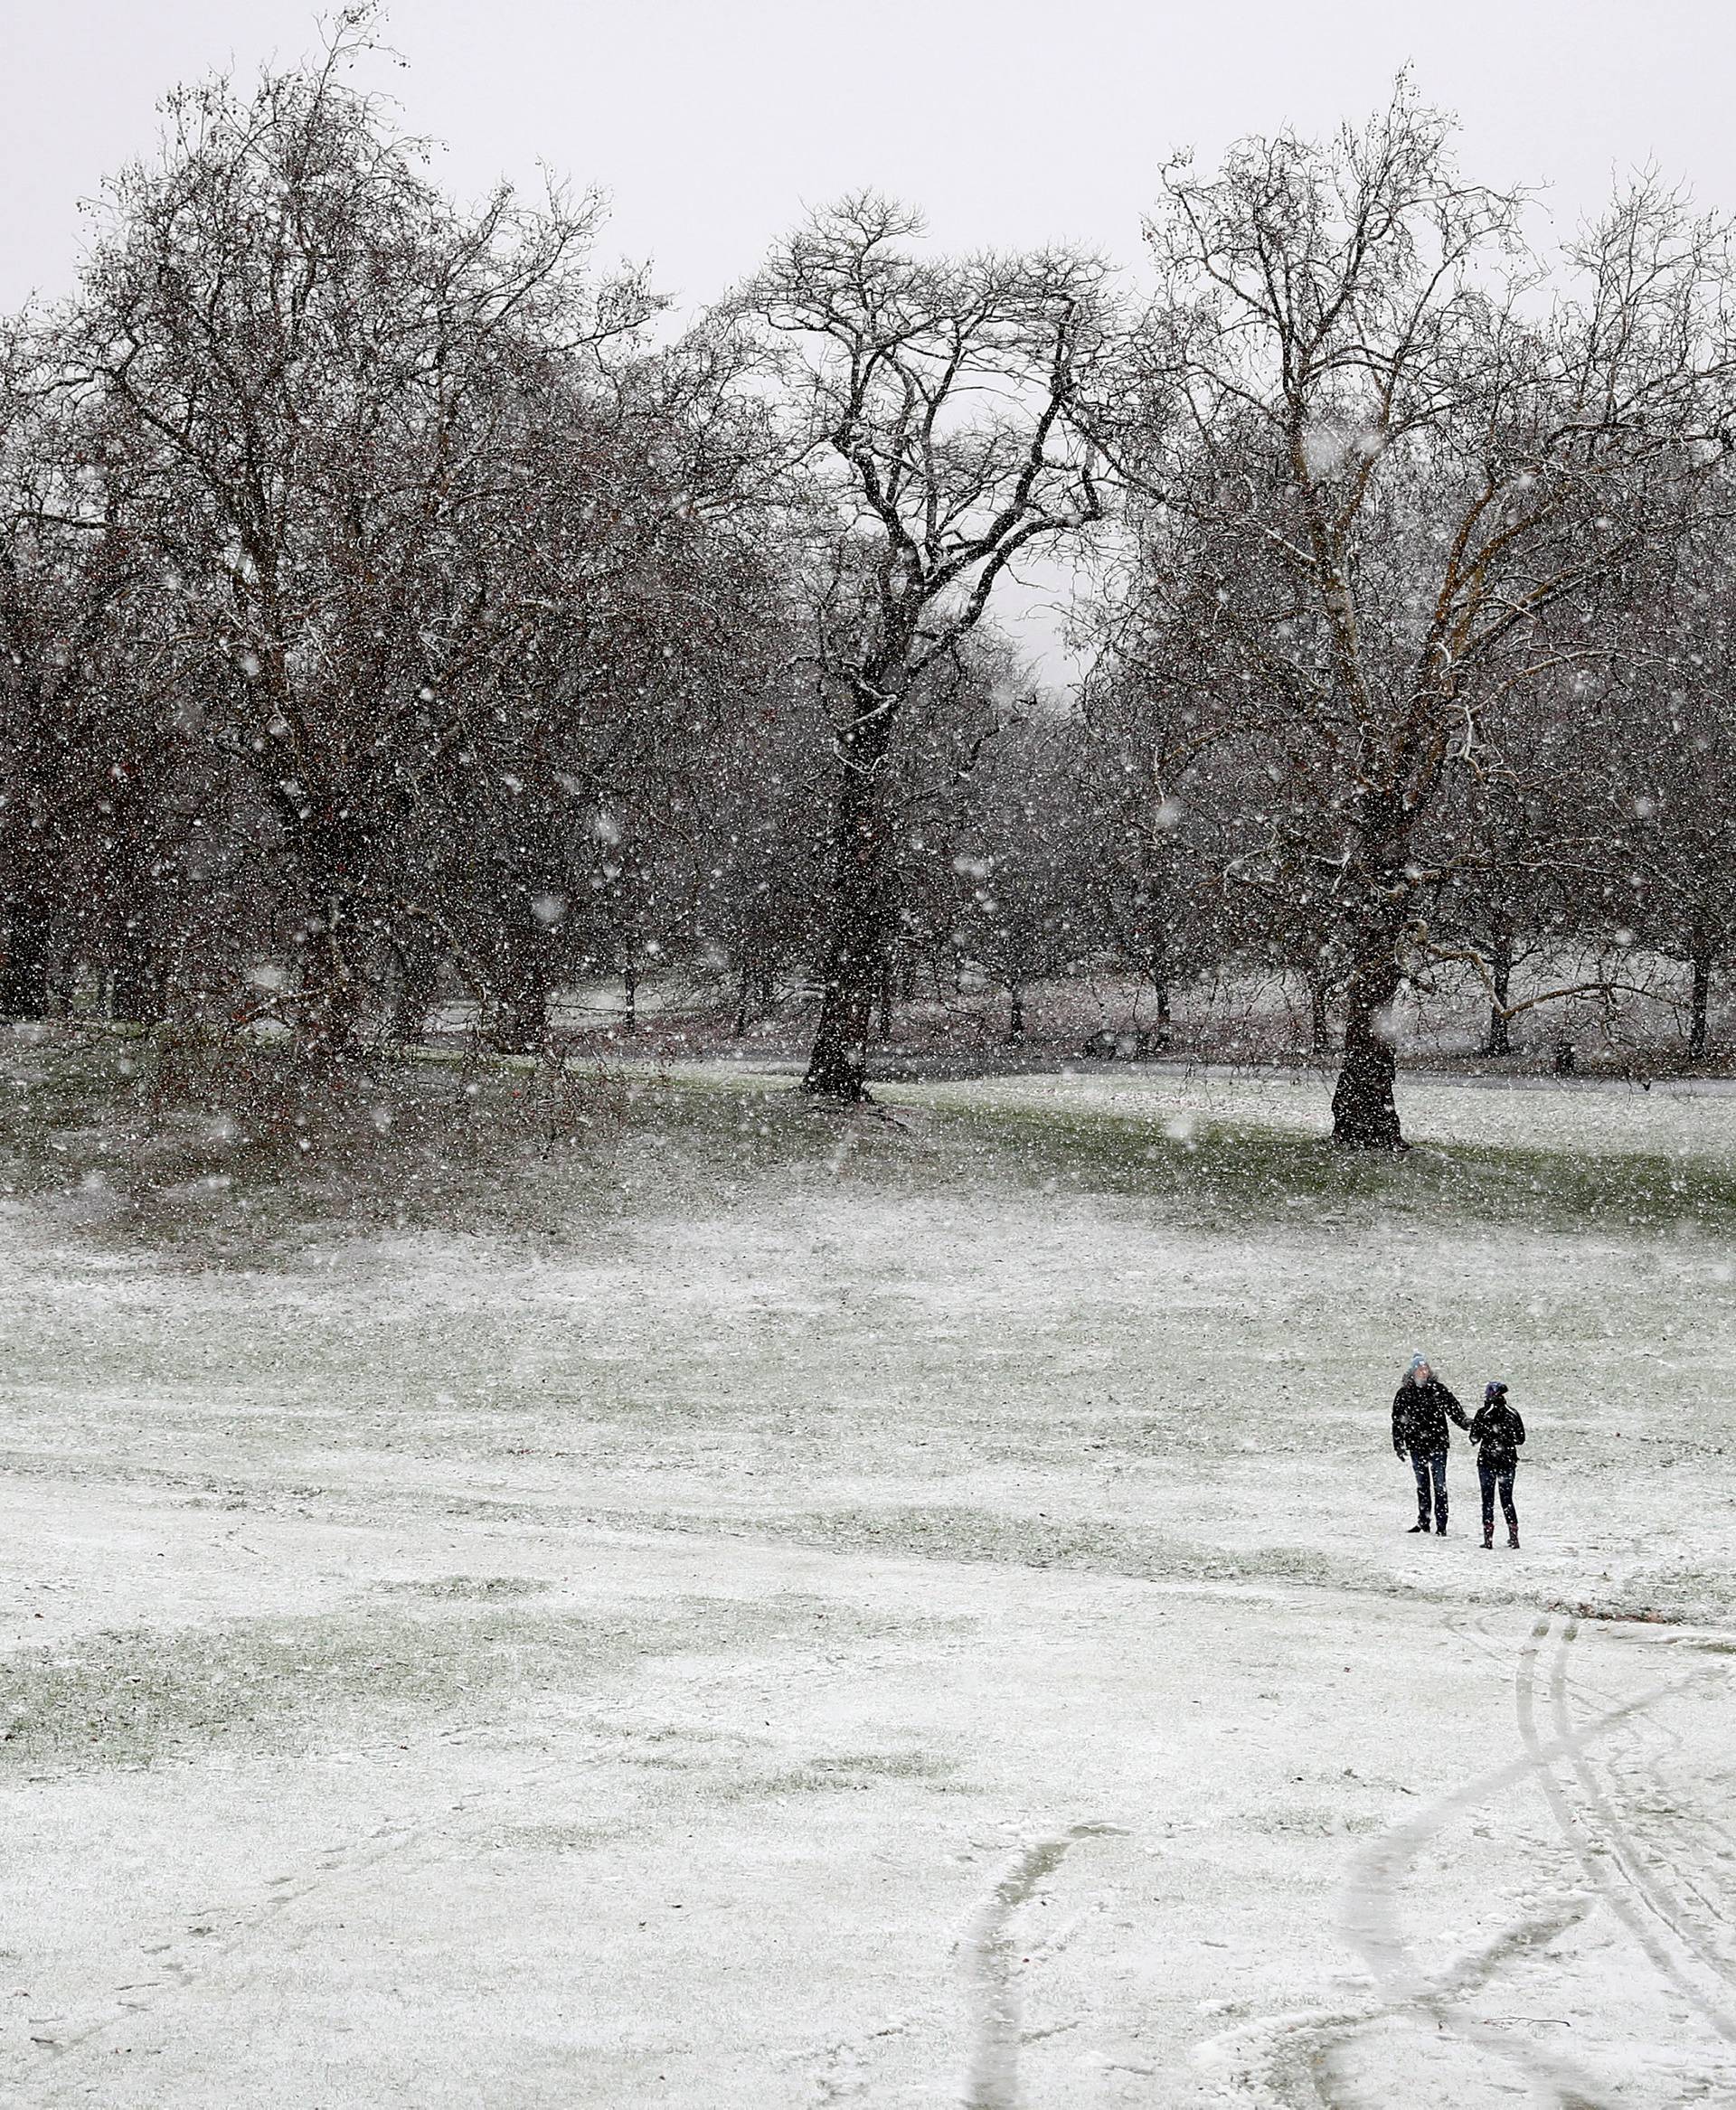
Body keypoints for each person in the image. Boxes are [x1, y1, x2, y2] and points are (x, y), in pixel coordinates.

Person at [1392, 1354, 1469, 1535]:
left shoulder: (1438, 1390)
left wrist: (1467, 1423)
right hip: (1416, 1446)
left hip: (1438, 1445)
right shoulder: (1404, 1394)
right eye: (1420, 1369)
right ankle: (1424, 1521)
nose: (1424, 1372)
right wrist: (1399, 1444)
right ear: (1413, 1372)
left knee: (1439, 1485)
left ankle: (1441, 1526)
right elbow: (1398, 1421)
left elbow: (1454, 1410)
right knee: (1422, 1485)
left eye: (1426, 1368)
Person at [1469, 1380, 1525, 1549]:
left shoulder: (1483, 1413)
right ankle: (1513, 1536)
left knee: (1487, 1500)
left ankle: (1488, 1538)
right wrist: (1506, 1439)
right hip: (1507, 1461)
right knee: (1507, 1499)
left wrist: (1486, 1436)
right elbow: (1521, 1439)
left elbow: (1474, 1437)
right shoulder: (1513, 1413)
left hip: (1486, 1460)